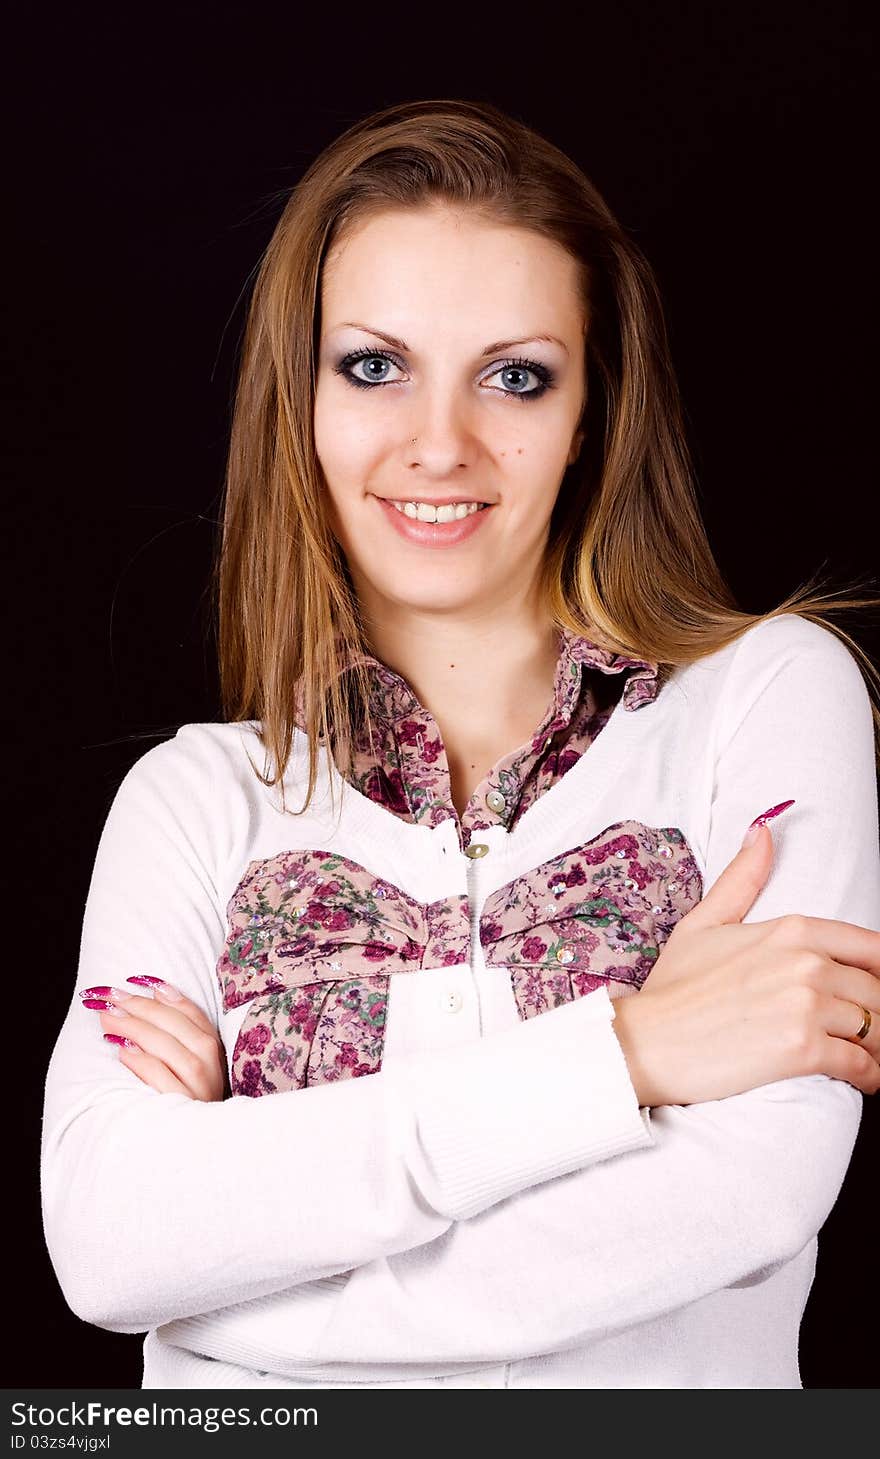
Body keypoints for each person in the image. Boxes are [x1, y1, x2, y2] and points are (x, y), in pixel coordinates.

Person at [41, 98, 880, 1390]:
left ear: (595, 408)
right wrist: (635, 1054)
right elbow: (106, 1245)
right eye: (374, 366)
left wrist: (224, 1290)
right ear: (301, 401)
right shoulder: (192, 799)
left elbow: (754, 1194)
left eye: (516, 375)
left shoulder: (768, 700)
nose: (440, 444)